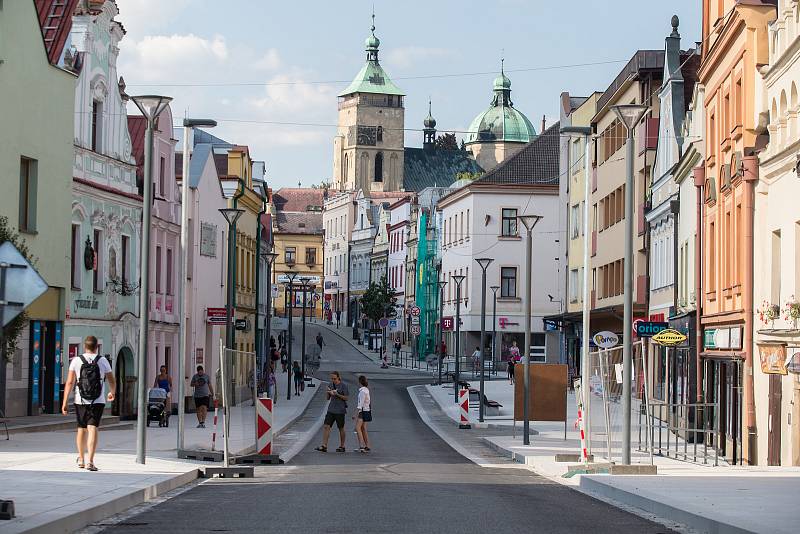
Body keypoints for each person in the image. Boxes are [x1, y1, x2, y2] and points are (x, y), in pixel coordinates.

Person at [61, 335, 116, 472]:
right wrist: (112, 392)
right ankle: (90, 461)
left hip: (80, 400)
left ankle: (81, 458)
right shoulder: (102, 361)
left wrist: (65, 402)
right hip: (98, 400)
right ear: (97, 347)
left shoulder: (76, 360)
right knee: (93, 428)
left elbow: (69, 382)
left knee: (81, 429)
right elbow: (111, 380)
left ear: (85, 346)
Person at [315, 371, 349, 453]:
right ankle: (324, 445)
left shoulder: (343, 386)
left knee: (341, 428)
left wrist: (337, 394)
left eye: (334, 378)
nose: (333, 380)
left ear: (338, 377)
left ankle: (342, 446)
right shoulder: (330, 384)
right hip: (331, 409)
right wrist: (328, 392)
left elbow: (346, 398)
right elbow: (327, 398)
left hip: (340, 410)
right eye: (332, 378)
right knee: (326, 426)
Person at [353, 375, 371, 453]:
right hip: (367, 410)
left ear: (360, 382)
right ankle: (367, 446)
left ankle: (361, 446)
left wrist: (355, 414)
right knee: (363, 428)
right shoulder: (366, 390)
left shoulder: (362, 392)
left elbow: (360, 404)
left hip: (362, 411)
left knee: (358, 428)